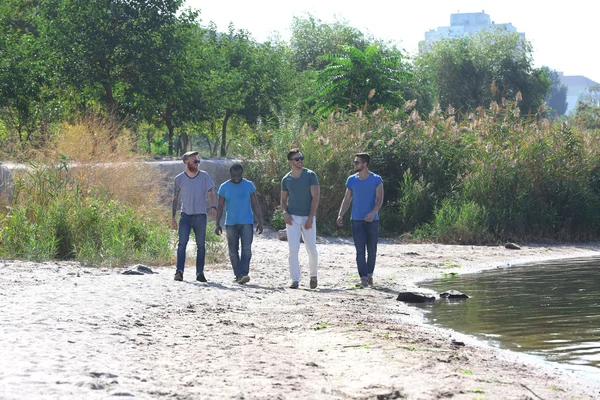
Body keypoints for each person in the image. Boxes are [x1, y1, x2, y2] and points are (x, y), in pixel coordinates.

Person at [336, 152, 384, 287]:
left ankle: (370, 275)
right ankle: (363, 278)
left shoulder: (376, 179)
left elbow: (380, 199)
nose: (354, 164)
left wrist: (373, 213)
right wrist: (341, 214)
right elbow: (346, 199)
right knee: (360, 250)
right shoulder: (351, 180)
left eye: (356, 162)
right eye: (354, 162)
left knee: (372, 250)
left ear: (365, 164)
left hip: (372, 220)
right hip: (356, 219)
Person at [171, 151, 217, 282]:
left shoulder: (204, 176)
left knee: (201, 245)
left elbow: (211, 192)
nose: (197, 164)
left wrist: (213, 206)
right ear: (186, 162)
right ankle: (179, 272)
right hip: (185, 216)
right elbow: (175, 199)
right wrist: (173, 217)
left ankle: (200, 273)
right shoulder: (179, 179)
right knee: (182, 245)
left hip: (200, 216)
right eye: (195, 161)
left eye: (198, 161)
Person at [215, 163, 264, 284]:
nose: (236, 177)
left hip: (246, 221)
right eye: (234, 175)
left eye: (238, 175)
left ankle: (244, 273)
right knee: (233, 250)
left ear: (242, 174)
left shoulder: (249, 185)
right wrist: (217, 224)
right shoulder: (224, 187)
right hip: (230, 222)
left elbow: (255, 203)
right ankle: (238, 275)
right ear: (230, 174)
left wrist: (260, 221)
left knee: (246, 248)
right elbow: (220, 206)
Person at [280, 148, 320, 289]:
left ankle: (313, 276)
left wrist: (310, 217)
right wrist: (285, 213)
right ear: (291, 162)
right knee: (293, 249)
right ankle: (295, 280)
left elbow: (315, 197)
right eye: (297, 159)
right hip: (293, 217)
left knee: (311, 249)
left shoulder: (310, 175)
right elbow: (283, 200)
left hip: (307, 216)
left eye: (301, 158)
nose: (300, 161)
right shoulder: (286, 179)